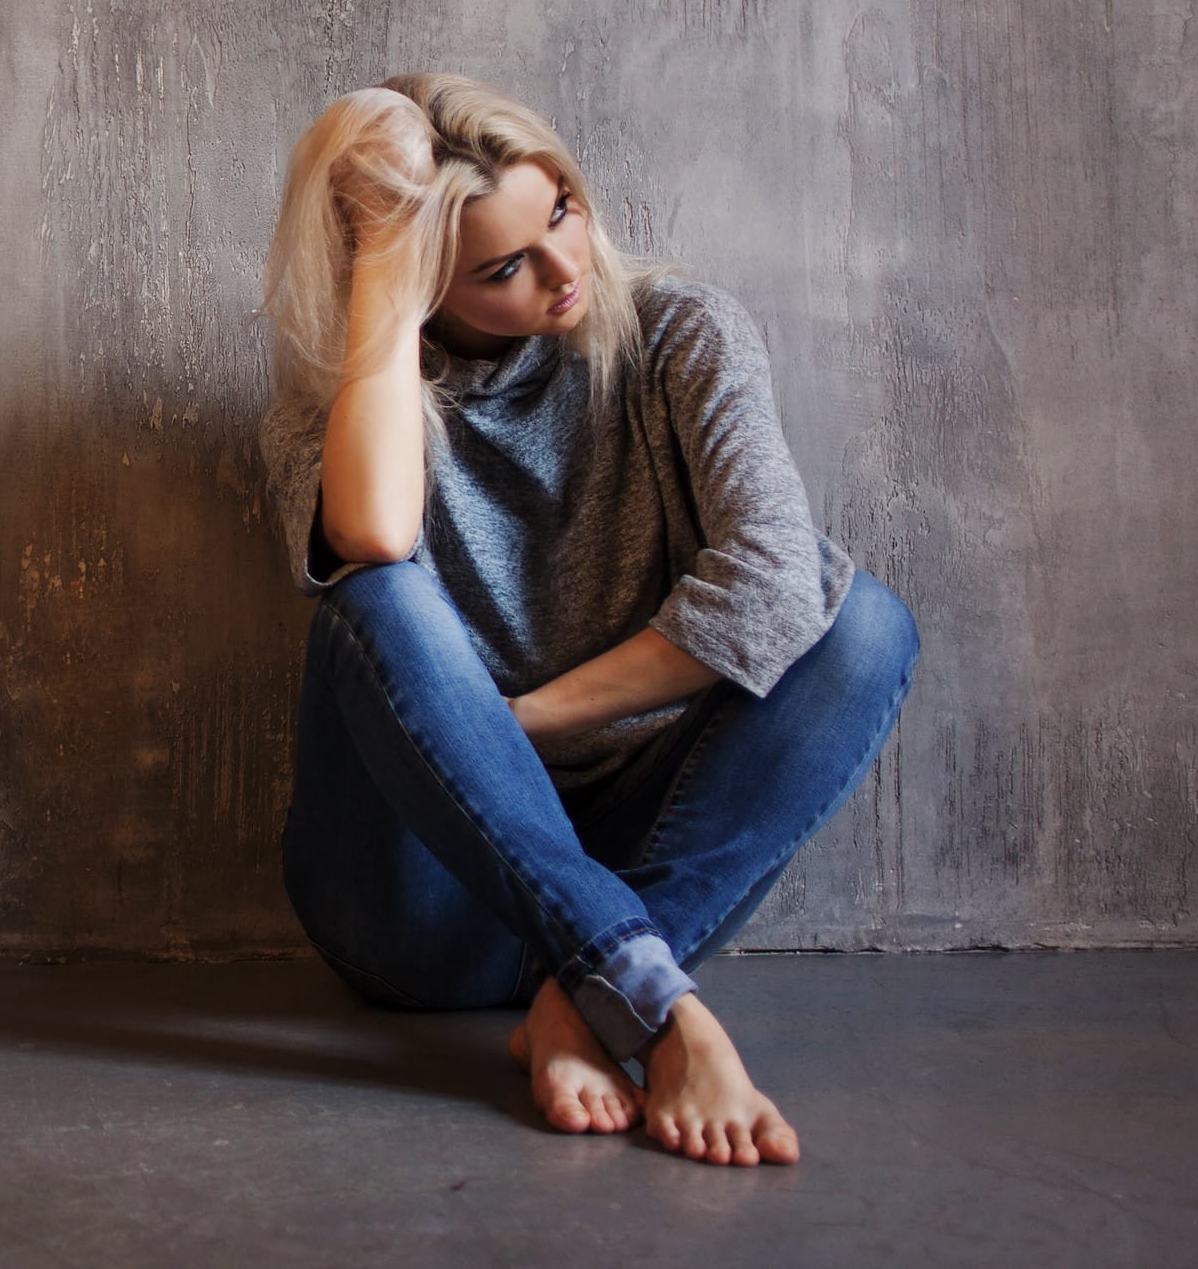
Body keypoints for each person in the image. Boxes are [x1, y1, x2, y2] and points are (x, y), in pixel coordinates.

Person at [254, 74, 922, 1168]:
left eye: (560, 208)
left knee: (865, 629)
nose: (567, 270)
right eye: (504, 268)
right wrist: (383, 250)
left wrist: (510, 728)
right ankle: (655, 1001)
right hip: (424, 913)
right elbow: (372, 539)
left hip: (637, 871)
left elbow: (771, 586)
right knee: (371, 598)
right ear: (421, 287)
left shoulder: (680, 336)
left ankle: (593, 986)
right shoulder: (339, 415)